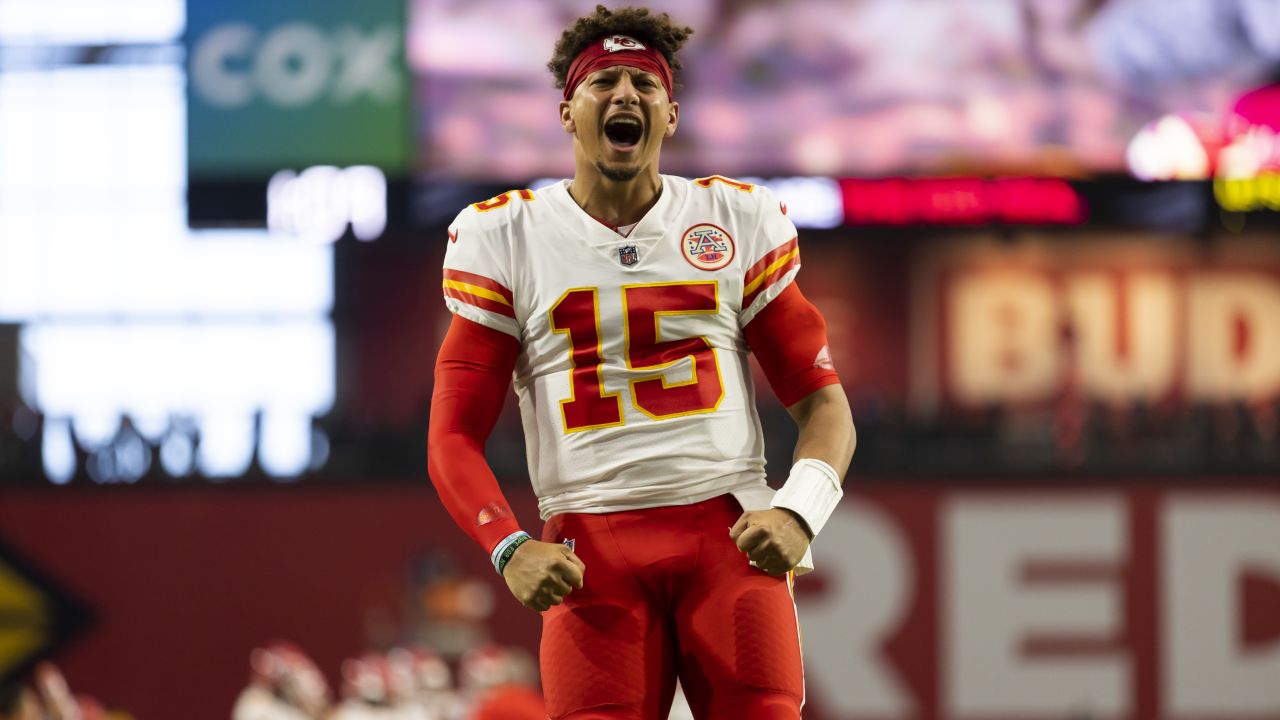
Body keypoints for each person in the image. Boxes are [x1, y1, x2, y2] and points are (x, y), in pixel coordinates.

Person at [427, 5, 855, 719]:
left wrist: (800, 513)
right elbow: (451, 436)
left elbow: (823, 404)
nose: (625, 95)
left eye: (643, 84)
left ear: (671, 115)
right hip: (590, 550)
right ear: (568, 112)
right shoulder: (507, 236)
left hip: (727, 537)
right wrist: (507, 546)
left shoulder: (735, 221)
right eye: (605, 82)